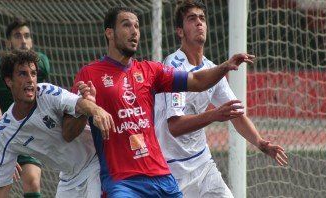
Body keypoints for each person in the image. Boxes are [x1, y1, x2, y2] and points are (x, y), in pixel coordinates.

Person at [72, 5, 254, 198]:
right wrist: (88, 107)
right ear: (109, 33)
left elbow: (198, 81)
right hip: (123, 182)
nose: (134, 31)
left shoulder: (151, 70)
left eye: (137, 26)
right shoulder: (89, 74)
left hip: (162, 177)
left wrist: (225, 66)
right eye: (126, 25)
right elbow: (69, 130)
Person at [154, 1, 288, 197]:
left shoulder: (212, 69)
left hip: (203, 164)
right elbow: (174, 126)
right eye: (192, 19)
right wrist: (214, 115)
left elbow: (236, 114)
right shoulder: (173, 68)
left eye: (202, 18)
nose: (199, 23)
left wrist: (260, 143)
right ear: (180, 32)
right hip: (171, 169)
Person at [0, 49, 115, 198]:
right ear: (9, 81)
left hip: (95, 162)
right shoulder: (4, 132)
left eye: (33, 74)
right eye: (23, 73)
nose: (30, 79)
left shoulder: (46, 92)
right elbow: (1, 190)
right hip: (68, 177)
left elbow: (79, 103)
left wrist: (97, 110)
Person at [0, 18, 50, 198]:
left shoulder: (40, 63)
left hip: (28, 132)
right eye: (18, 36)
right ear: (8, 42)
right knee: (2, 188)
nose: (23, 41)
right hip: (1, 133)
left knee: (32, 180)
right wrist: (3, 138)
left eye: (27, 36)